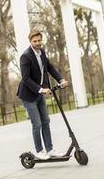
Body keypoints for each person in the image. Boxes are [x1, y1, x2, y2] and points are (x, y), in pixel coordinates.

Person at [17, 30, 69, 160]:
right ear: (31, 42)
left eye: (39, 40)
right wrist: (41, 89)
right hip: (29, 95)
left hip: (40, 93)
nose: (38, 43)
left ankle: (50, 149)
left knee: (46, 121)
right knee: (37, 124)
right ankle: (39, 151)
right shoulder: (26, 56)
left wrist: (61, 79)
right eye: (35, 41)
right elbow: (26, 79)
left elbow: (50, 68)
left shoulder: (42, 53)